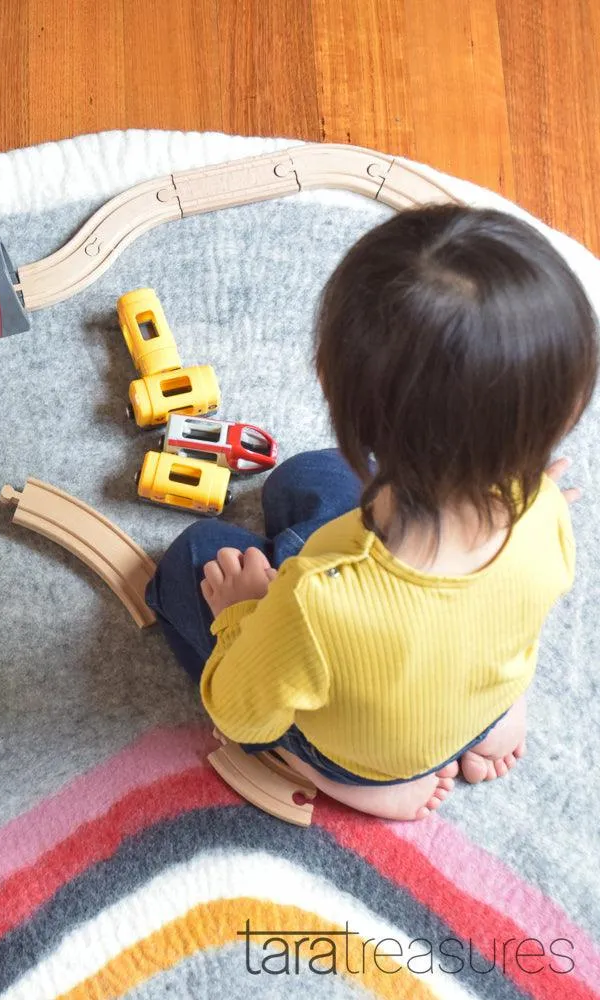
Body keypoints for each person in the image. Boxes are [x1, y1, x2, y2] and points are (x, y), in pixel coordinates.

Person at [145, 205, 597, 821]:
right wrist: (526, 491)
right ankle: (489, 722)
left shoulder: (312, 603)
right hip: (474, 696)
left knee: (195, 554)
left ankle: (347, 778)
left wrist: (242, 614)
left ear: (333, 386)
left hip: (368, 750)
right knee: (305, 477)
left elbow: (238, 711)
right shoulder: (544, 514)